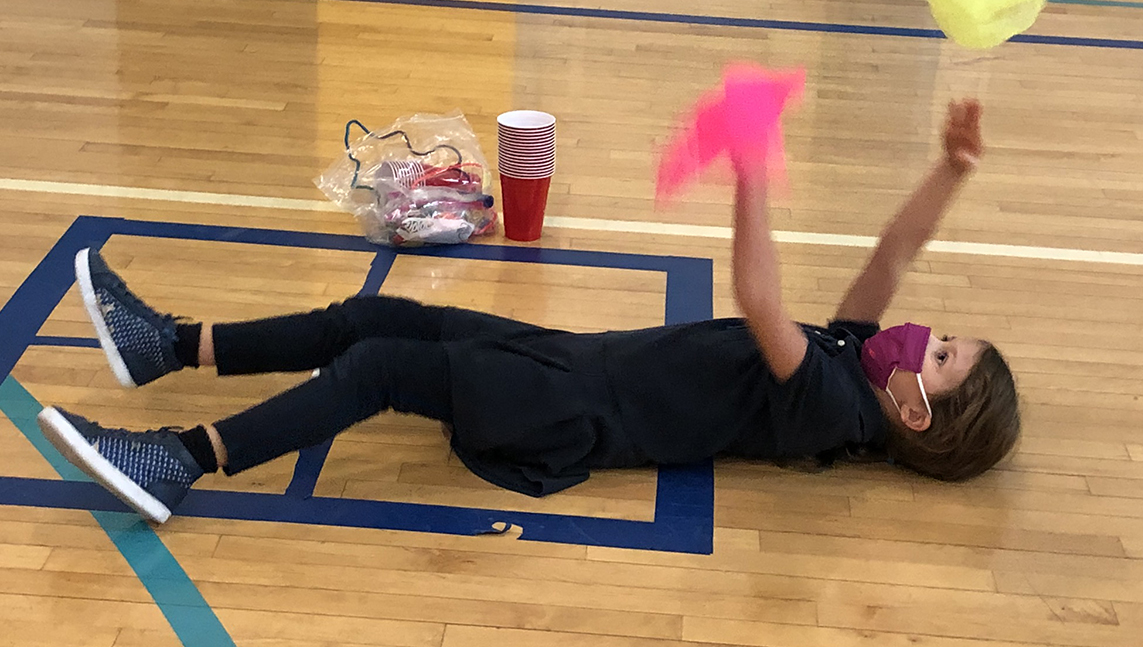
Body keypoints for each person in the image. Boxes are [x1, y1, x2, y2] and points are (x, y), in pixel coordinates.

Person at [37, 98, 1019, 525]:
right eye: (946, 335)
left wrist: (753, 161)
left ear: (914, 414)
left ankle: (179, 460)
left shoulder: (835, 410)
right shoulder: (855, 357)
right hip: (569, 358)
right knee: (370, 321)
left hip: (564, 410)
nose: (926, 336)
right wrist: (952, 168)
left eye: (941, 356)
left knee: (379, 367)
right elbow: (893, 254)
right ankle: (167, 344)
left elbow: (760, 298)